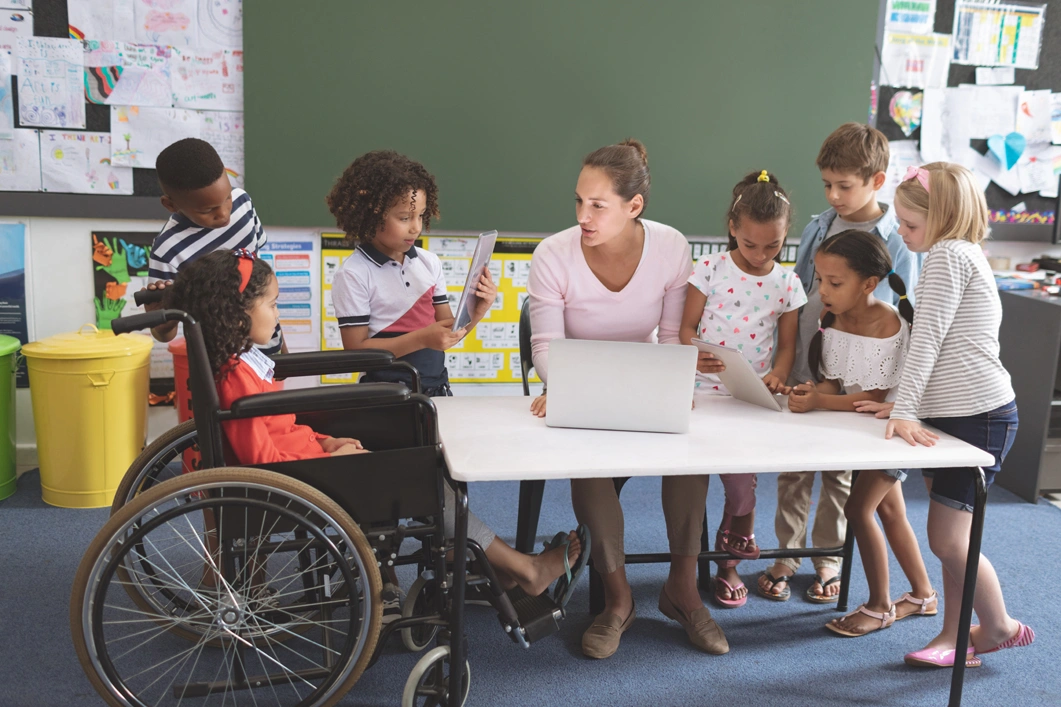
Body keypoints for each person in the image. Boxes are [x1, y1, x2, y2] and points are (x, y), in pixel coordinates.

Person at [164, 248, 587, 600]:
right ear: (237, 314)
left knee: (424, 466)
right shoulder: (239, 376)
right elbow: (265, 458)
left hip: (308, 464)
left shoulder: (241, 365)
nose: (278, 315)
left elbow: (277, 431)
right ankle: (523, 569)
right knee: (428, 481)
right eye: (272, 305)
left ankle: (487, 564)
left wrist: (326, 441)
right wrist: (328, 454)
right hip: (296, 483)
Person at [528, 138, 728, 658]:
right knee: (590, 466)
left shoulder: (670, 246)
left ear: (633, 206)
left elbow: (670, 335)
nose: (583, 216)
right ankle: (618, 601)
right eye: (578, 202)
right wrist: (566, 388)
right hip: (581, 388)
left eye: (598, 205)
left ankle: (682, 591)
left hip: (645, 380)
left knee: (690, 457)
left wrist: (674, 383)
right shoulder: (553, 253)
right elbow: (546, 344)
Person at [861, 163, 1033, 668]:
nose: (904, 234)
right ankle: (954, 639)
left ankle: (998, 626)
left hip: (979, 416)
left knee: (949, 539)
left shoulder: (948, 256)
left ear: (942, 218)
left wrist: (908, 408)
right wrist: (905, 403)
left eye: (911, 226)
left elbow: (930, 340)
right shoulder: (959, 253)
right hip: (957, 413)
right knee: (951, 541)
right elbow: (936, 343)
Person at [760, 123, 922, 603]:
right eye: (827, 184)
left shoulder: (896, 239)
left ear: (876, 180)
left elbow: (903, 309)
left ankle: (828, 559)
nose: (833, 195)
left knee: (840, 475)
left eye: (844, 185)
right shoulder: (818, 225)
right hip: (813, 360)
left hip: (863, 373)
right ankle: (786, 555)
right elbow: (802, 291)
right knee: (793, 469)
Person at [786, 229, 938, 640]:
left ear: (869, 283)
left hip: (892, 429)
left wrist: (819, 403)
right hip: (862, 431)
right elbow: (837, 381)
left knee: (859, 511)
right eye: (820, 280)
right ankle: (924, 595)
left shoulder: (887, 322)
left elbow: (871, 396)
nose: (824, 290)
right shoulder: (829, 316)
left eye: (835, 283)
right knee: (890, 512)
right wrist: (814, 392)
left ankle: (879, 606)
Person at [678, 170, 806, 608]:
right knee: (689, 483)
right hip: (701, 392)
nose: (759, 255)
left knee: (742, 488)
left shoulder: (788, 283)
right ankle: (686, 564)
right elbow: (686, 328)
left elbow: (787, 347)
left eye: (773, 246)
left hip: (749, 397)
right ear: (733, 228)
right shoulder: (710, 268)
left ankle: (728, 565)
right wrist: (694, 353)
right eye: (750, 244)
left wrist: (777, 375)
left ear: (787, 235)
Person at [326, 150, 496, 397]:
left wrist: (477, 312)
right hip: (385, 398)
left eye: (421, 215)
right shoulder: (354, 274)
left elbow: (446, 335)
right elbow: (356, 355)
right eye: (405, 217)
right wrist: (422, 339)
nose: (416, 227)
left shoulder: (429, 263)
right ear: (371, 213)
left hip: (436, 391)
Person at [142, 138, 284, 355]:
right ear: (171, 205)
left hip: (268, 349)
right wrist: (164, 319)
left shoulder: (243, 204)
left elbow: (261, 288)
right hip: (220, 364)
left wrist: (283, 348)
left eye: (227, 198)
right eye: (207, 210)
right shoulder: (168, 250)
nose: (224, 214)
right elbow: (163, 335)